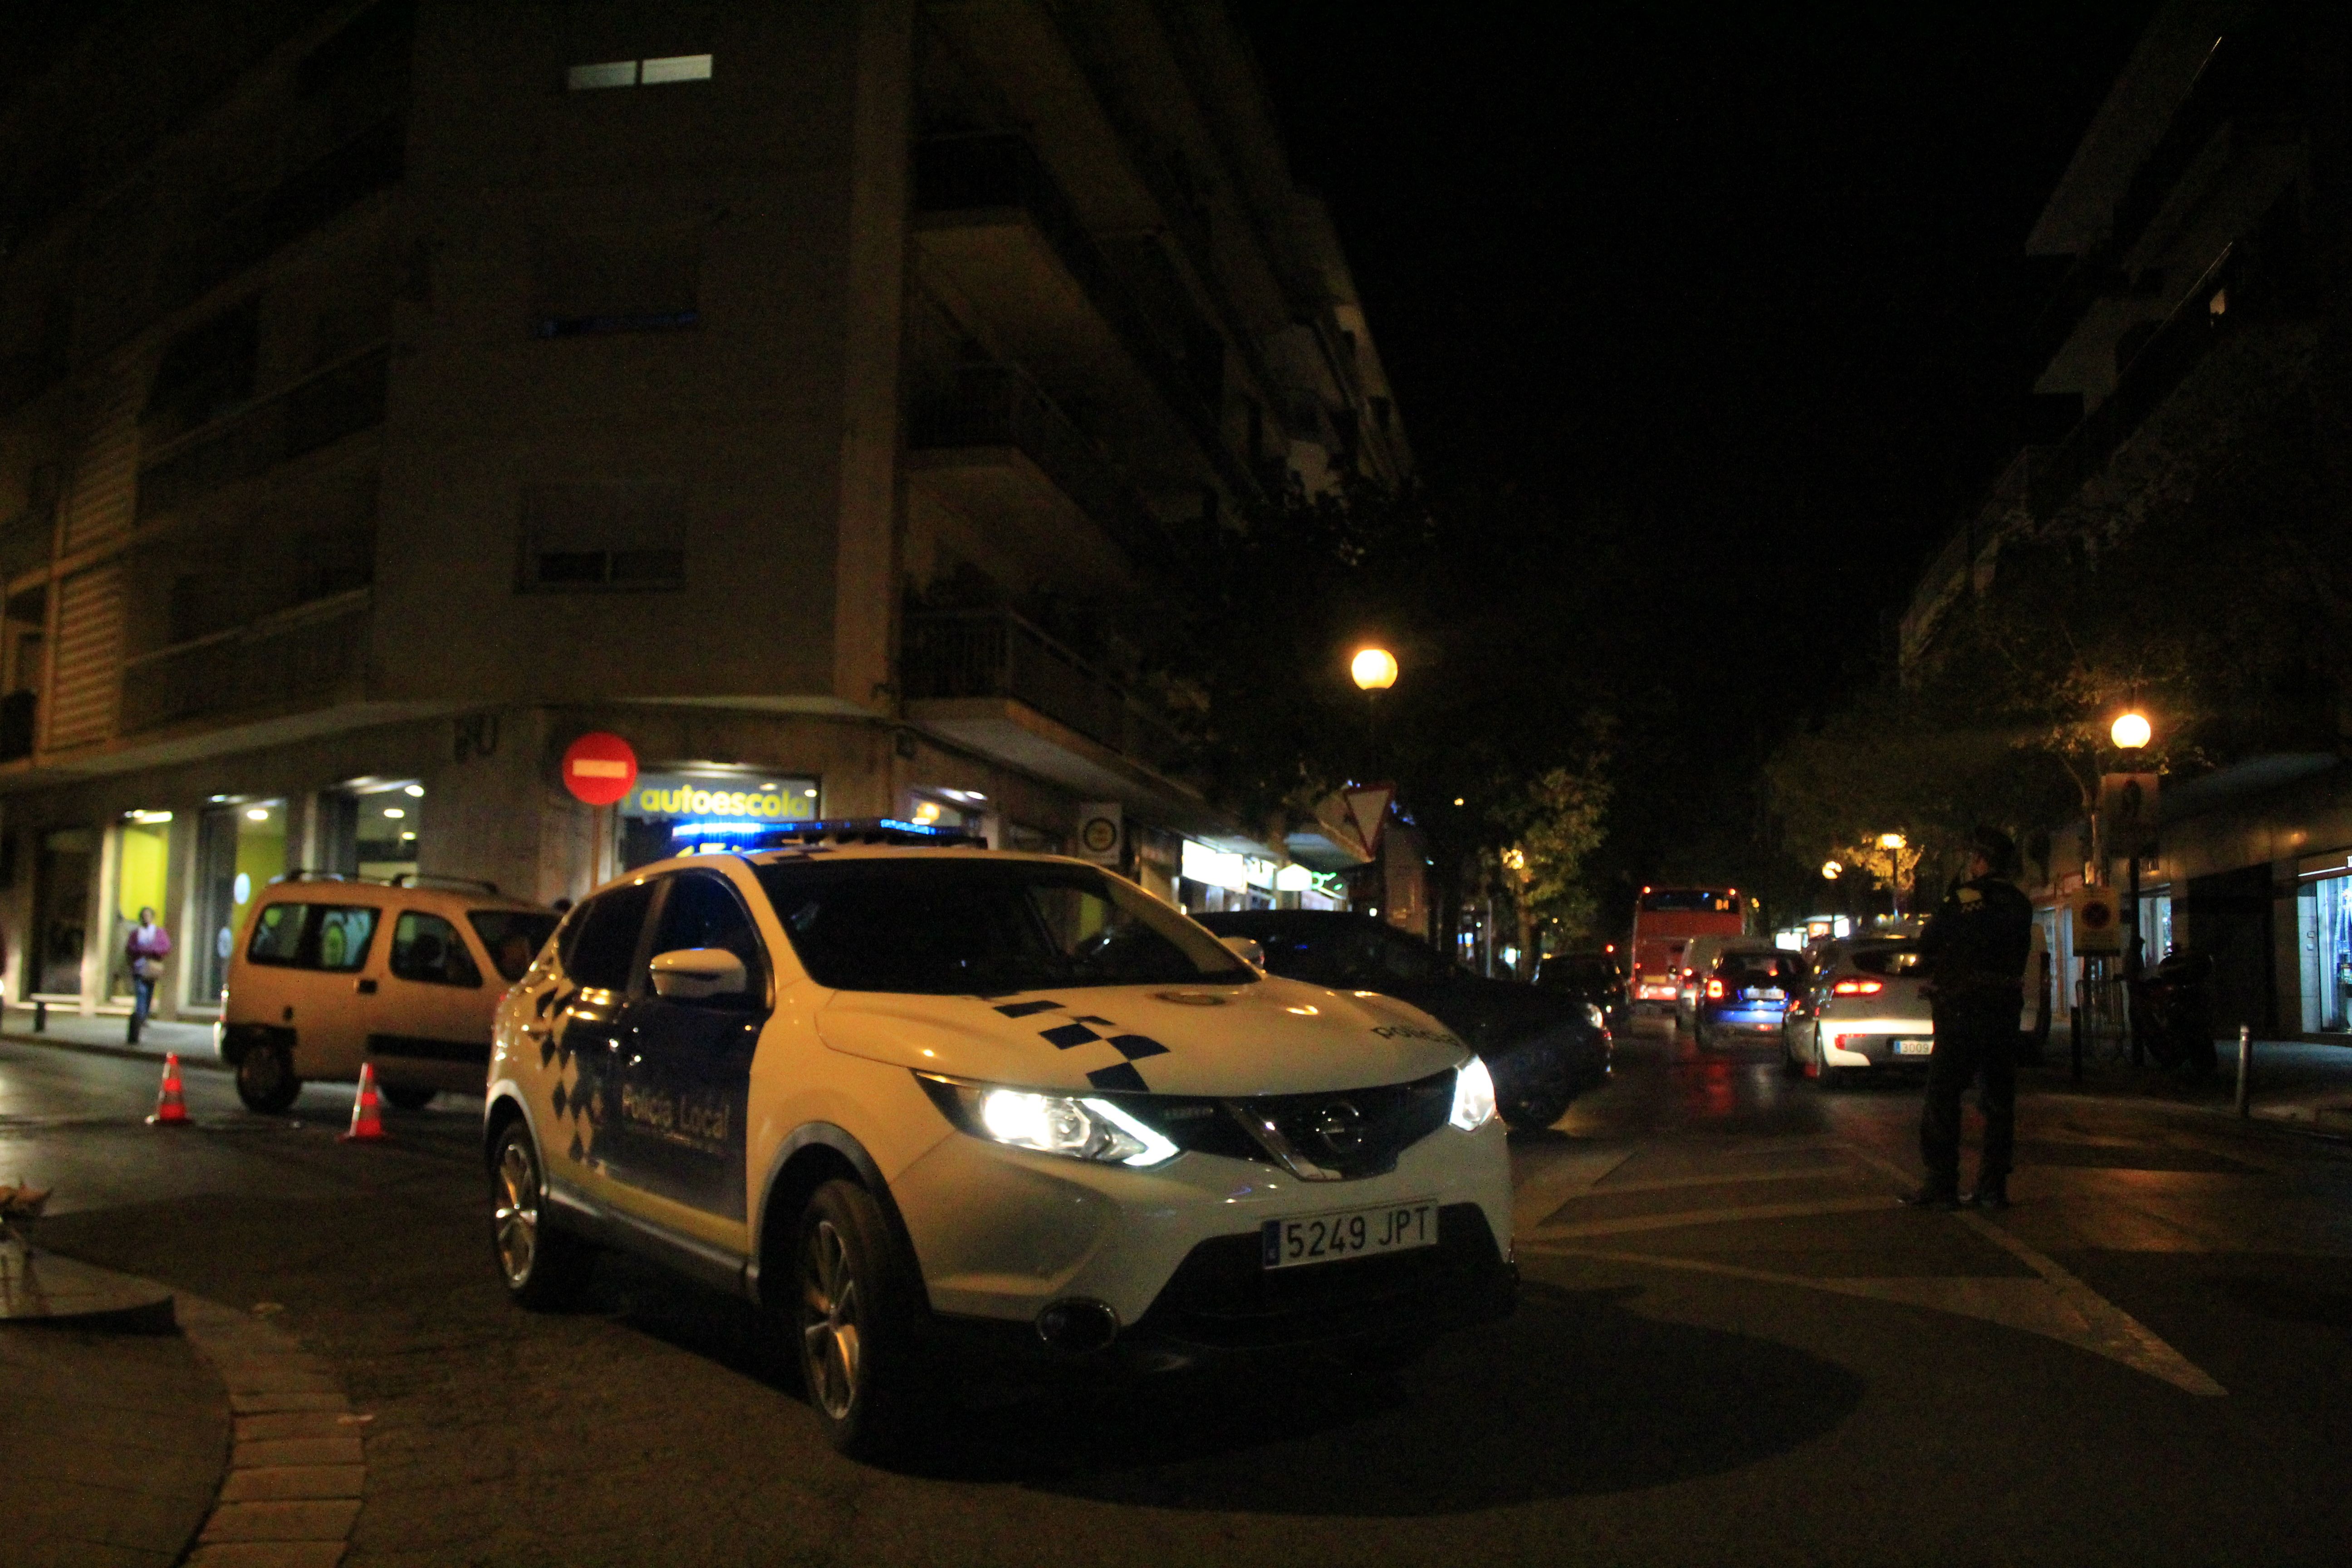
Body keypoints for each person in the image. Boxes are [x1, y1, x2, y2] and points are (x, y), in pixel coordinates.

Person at [1901, 826, 2034, 1212]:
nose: (1970, 864)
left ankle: (1942, 1183)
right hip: (2004, 1011)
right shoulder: (2020, 903)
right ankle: (1993, 1188)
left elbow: (1929, 944)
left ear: (1982, 861)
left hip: (1962, 1008)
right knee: (1998, 1101)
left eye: (1974, 858)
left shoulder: (1961, 899)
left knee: (1943, 1096)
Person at [124, 907, 172, 1046]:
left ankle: (143, 1016)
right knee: (141, 992)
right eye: (143, 916)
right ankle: (139, 1018)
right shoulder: (136, 933)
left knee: (149, 992)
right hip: (139, 968)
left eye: (148, 915)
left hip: (152, 968)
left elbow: (165, 947)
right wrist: (142, 951)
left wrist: (149, 950)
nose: (146, 918)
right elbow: (130, 948)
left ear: (152, 917)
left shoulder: (159, 932)